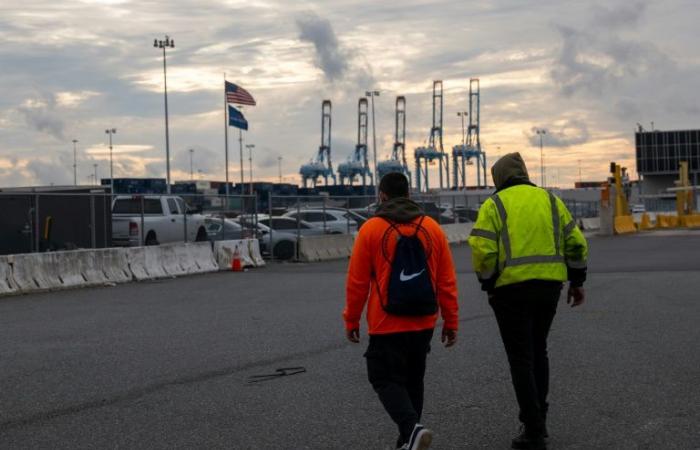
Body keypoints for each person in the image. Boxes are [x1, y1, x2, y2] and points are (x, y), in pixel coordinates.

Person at [467, 153, 588, 450]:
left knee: (520, 358)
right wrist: (577, 281)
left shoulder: (493, 205)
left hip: (510, 292)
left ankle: (533, 429)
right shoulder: (550, 201)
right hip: (549, 288)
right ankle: (539, 419)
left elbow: (483, 252)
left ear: (498, 177)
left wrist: (489, 284)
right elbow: (576, 243)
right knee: (538, 351)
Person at [344, 172, 459, 450]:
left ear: (381, 196)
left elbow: (357, 282)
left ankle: (410, 430)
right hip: (424, 320)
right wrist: (451, 321)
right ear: (409, 194)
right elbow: (446, 281)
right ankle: (408, 441)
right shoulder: (432, 227)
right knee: (413, 380)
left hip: (386, 321)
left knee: (382, 377)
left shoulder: (371, 229)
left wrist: (351, 319)